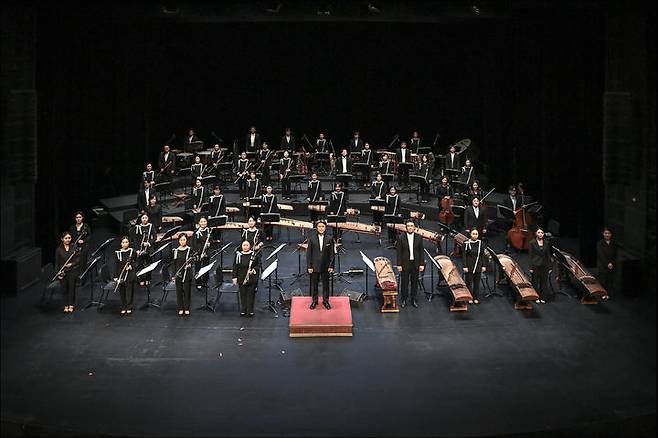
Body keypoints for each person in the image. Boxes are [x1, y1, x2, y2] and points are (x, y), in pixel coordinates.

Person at [396, 219, 425, 308]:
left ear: (414, 227)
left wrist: (421, 264)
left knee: (414, 283)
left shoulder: (419, 237)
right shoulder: (401, 237)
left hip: (415, 263)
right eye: (408, 226)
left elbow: (421, 252)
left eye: (411, 226)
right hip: (405, 263)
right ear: (406, 227)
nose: (410, 227)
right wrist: (399, 264)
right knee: (404, 283)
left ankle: (413, 299)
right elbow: (399, 252)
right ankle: (404, 299)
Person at [306, 220, 335, 310]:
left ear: (325, 227)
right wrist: (309, 266)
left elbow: (332, 254)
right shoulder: (311, 238)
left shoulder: (330, 238)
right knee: (314, 285)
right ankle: (314, 301)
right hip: (314, 266)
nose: (321, 228)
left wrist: (331, 266)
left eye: (323, 226)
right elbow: (309, 254)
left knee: (326, 285)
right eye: (319, 226)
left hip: (326, 266)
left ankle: (325, 301)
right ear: (316, 228)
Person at [232, 240, 261, 317]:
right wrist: (234, 277)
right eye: (244, 245)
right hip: (241, 277)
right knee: (243, 294)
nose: (245, 247)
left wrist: (254, 269)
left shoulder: (254, 254)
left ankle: (250, 310)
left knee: (251, 294)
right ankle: (243, 310)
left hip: (251, 277)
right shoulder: (238, 255)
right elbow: (235, 266)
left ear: (250, 246)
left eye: (247, 245)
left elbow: (258, 264)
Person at [55, 231, 81, 313]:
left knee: (71, 288)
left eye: (69, 238)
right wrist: (58, 272)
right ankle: (66, 305)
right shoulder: (58, 250)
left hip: (72, 271)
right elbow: (57, 262)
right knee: (64, 289)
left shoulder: (74, 247)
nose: (68, 240)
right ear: (62, 239)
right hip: (63, 271)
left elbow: (78, 259)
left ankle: (71, 304)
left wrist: (72, 264)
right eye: (66, 238)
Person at [462, 229, 486, 305]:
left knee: (476, 283)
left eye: (476, 234)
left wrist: (484, 265)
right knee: (469, 283)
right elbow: (464, 256)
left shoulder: (480, 243)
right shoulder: (466, 243)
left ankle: (475, 297)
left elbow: (482, 255)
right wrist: (465, 266)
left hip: (478, 265)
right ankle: (469, 297)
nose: (475, 235)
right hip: (469, 265)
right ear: (470, 234)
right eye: (473, 234)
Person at [172, 234, 193, 316]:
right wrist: (173, 275)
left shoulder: (189, 250)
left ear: (186, 240)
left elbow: (193, 260)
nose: (182, 241)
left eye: (184, 240)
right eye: (181, 240)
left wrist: (190, 264)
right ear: (178, 241)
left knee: (187, 291)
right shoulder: (175, 251)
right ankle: (180, 308)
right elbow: (173, 264)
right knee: (179, 291)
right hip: (178, 274)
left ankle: (187, 308)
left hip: (187, 273)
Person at [114, 236, 136, 315]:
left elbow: (136, 262)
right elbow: (116, 265)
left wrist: (131, 266)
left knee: (129, 291)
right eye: (123, 242)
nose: (125, 244)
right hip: (121, 274)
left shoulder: (132, 251)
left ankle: (129, 306)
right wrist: (116, 277)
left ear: (129, 243)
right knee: (122, 291)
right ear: (121, 244)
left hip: (130, 274)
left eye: (126, 242)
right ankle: (123, 306)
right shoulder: (118, 253)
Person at [529, 227, 551, 304]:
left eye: (542, 232)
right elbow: (531, 255)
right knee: (535, 281)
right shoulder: (532, 242)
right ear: (536, 234)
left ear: (544, 234)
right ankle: (536, 297)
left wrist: (550, 266)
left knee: (543, 282)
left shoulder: (546, 242)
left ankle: (543, 297)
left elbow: (548, 255)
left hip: (544, 265)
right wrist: (531, 267)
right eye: (539, 232)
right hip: (535, 264)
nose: (540, 234)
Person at [131, 213, 154, 287]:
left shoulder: (151, 226)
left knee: (149, 264)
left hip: (148, 249)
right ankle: (141, 279)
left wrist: (149, 243)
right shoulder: (138, 227)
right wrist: (137, 249)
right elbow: (135, 240)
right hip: (140, 249)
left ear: (148, 218)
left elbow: (155, 237)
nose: (144, 219)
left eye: (146, 218)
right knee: (140, 265)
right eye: (143, 218)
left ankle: (148, 278)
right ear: (141, 219)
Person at [596, 227, 617, 300]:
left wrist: (612, 263)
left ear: (611, 234)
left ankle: (608, 293)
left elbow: (615, 255)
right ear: (603, 234)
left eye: (608, 233)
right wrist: (607, 263)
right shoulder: (599, 243)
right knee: (603, 280)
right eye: (606, 233)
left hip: (611, 265)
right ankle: (602, 294)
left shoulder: (614, 243)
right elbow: (601, 255)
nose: (607, 235)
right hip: (603, 264)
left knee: (609, 280)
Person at [193, 217, 212, 290]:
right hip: (198, 253)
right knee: (198, 268)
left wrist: (209, 243)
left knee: (205, 268)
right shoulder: (196, 232)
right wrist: (197, 252)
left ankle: (205, 282)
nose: (203, 223)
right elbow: (194, 243)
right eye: (201, 222)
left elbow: (211, 240)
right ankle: (198, 283)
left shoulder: (209, 231)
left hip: (206, 253)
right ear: (199, 223)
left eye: (204, 221)